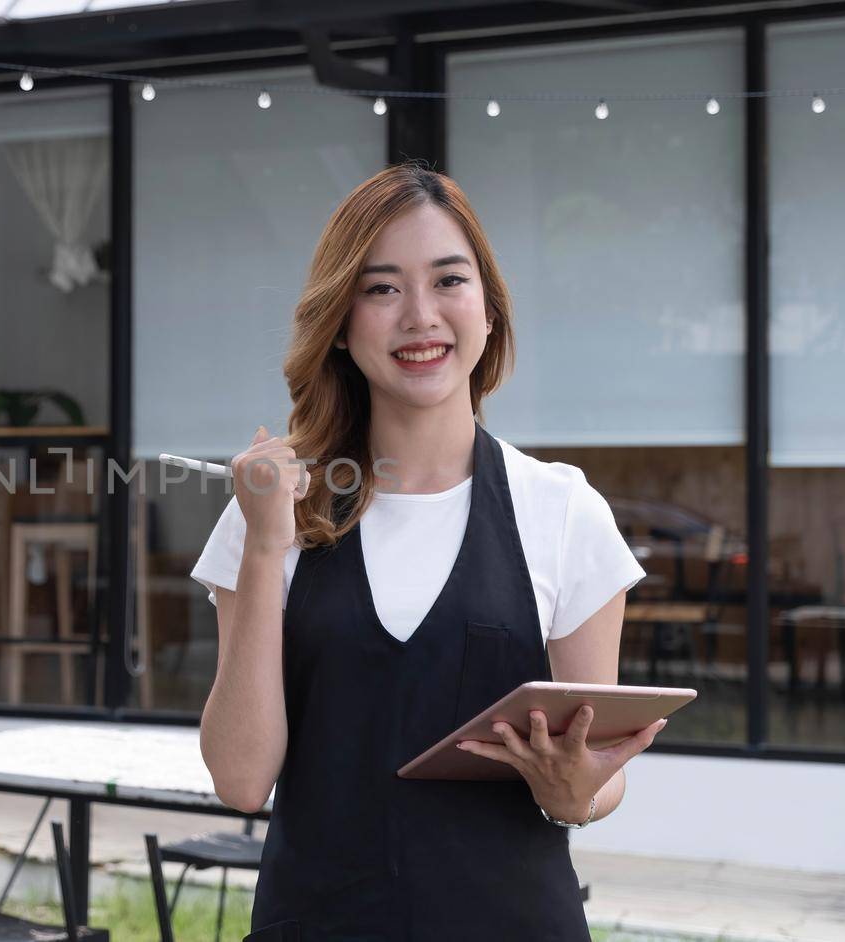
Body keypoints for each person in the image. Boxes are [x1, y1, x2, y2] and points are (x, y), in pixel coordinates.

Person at [193, 162, 665, 940]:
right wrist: (264, 543)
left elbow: (592, 779)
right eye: (382, 289)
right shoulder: (268, 508)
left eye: (449, 281)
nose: (420, 316)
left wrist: (576, 789)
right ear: (341, 324)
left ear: (488, 313)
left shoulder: (563, 511)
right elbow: (242, 781)